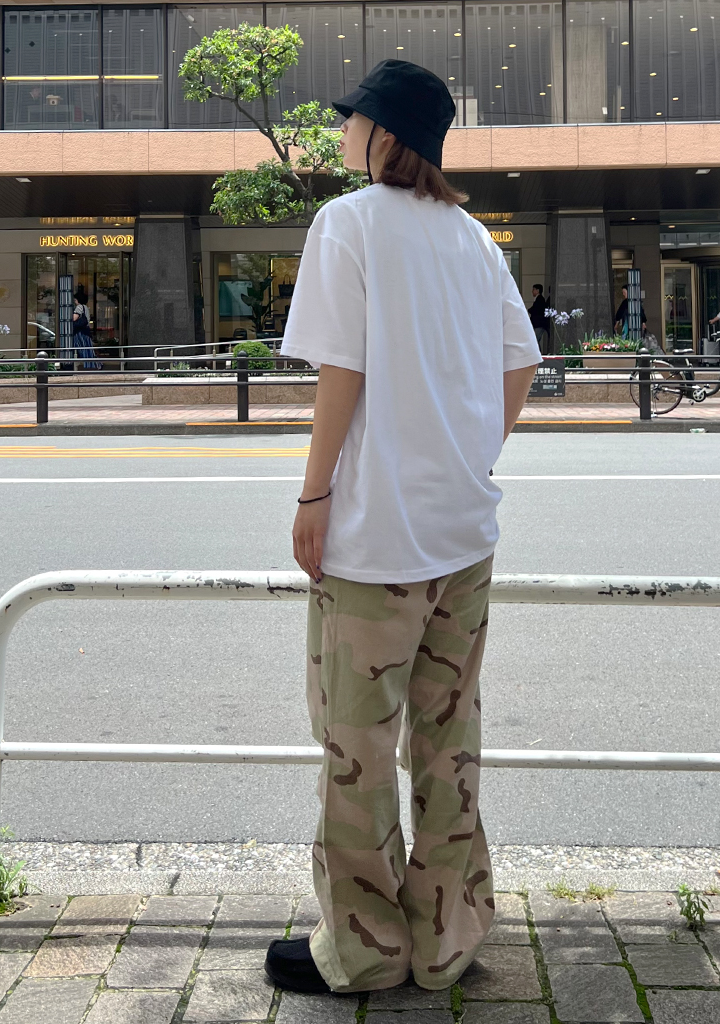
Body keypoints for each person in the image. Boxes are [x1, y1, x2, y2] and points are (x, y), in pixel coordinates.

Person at [270, 59, 541, 998]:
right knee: (447, 739)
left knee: (356, 746)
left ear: (384, 135)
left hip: (375, 538)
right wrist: (468, 450)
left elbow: (339, 372)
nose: (343, 132)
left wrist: (313, 498)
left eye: (353, 120)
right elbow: (520, 365)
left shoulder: (347, 223)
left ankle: (366, 949)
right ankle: (444, 940)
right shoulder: (473, 238)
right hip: (464, 533)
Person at [72, 286, 100, 369]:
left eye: (75, 300)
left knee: (81, 348)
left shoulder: (79, 307)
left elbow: (74, 318)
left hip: (80, 332)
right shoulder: (85, 307)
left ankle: (89, 365)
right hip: (86, 331)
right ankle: (94, 364)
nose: (74, 301)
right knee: (88, 348)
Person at [527, 283, 548, 352]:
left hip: (539, 324)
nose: (532, 291)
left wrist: (529, 310)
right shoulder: (539, 299)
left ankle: (538, 355)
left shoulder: (540, 299)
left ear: (537, 290)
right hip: (538, 324)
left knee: (535, 341)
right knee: (535, 341)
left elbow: (535, 310)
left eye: (533, 289)